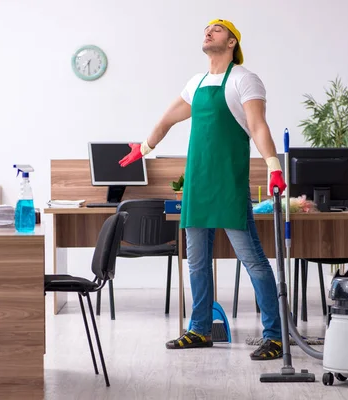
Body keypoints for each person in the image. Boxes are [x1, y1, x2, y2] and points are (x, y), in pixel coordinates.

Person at [118, 19, 287, 361]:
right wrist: (145, 148)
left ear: (231, 43)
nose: (209, 32)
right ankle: (200, 329)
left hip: (227, 183)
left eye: (218, 29)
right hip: (197, 183)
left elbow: (257, 125)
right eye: (207, 28)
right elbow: (166, 119)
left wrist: (274, 166)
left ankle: (275, 336)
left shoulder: (244, 79)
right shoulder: (195, 84)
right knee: (196, 262)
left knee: (252, 260)